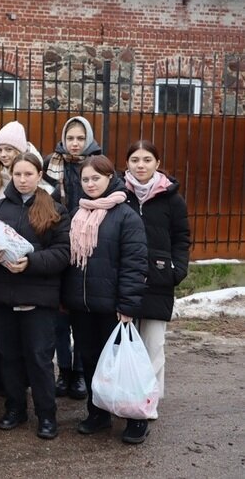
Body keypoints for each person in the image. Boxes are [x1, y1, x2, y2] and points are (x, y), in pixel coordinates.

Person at [0, 153, 70, 440]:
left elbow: (63, 253)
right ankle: (15, 408)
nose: (22, 179)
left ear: (39, 174)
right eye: (17, 174)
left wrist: (31, 261)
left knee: (39, 357)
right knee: (8, 356)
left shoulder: (54, 208)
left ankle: (46, 415)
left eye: (28, 174)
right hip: (2, 294)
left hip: (38, 296)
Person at [63, 155, 148, 444]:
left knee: (120, 365)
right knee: (90, 362)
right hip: (82, 306)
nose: (90, 184)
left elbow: (134, 265)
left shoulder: (126, 216)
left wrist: (127, 306)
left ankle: (136, 418)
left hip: (113, 308)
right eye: (85, 179)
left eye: (95, 178)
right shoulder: (78, 213)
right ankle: (98, 413)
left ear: (110, 177)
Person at [123, 140, 190, 418]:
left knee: (153, 345)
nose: (141, 165)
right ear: (127, 163)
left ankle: (148, 404)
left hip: (159, 280)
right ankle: (124, 399)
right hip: (125, 278)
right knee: (125, 345)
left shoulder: (171, 198)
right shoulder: (119, 194)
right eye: (135, 159)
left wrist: (177, 270)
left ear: (157, 163)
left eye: (147, 159)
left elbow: (181, 237)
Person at [44, 116, 101, 400]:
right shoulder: (52, 164)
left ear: (88, 139)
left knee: (80, 315)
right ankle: (63, 370)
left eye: (80, 138)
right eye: (70, 138)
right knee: (58, 318)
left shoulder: (99, 165)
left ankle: (79, 372)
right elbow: (43, 200)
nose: (75, 143)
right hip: (59, 246)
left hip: (87, 250)